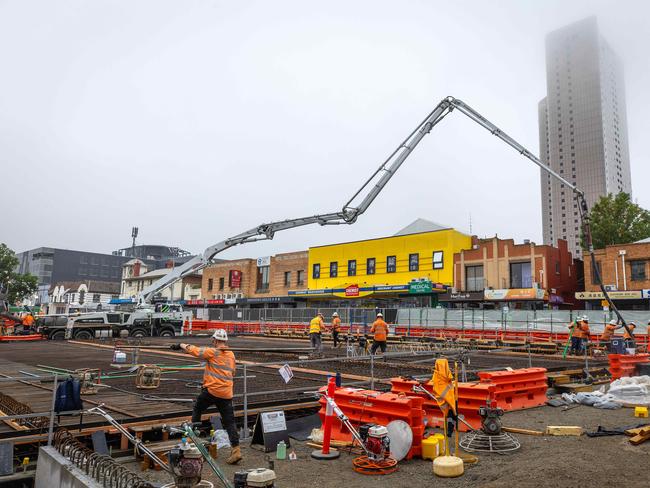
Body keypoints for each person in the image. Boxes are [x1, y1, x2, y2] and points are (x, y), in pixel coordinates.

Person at [173, 330, 242, 465]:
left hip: (212, 391)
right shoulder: (231, 354)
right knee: (229, 422)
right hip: (226, 393)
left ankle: (193, 439)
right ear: (225, 341)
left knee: (198, 409)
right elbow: (233, 371)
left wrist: (181, 344)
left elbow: (196, 351)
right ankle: (236, 450)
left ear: (215, 340)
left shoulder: (213, 352)